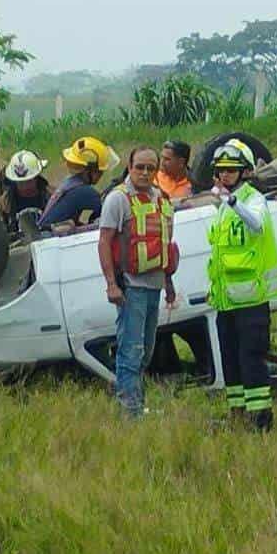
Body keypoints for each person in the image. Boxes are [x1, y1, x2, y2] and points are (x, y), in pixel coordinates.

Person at [207, 138, 277, 431]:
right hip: (226, 300)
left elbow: (256, 224)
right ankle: (236, 412)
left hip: (251, 300)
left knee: (251, 358)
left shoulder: (252, 199)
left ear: (245, 171)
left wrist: (231, 201)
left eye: (232, 169)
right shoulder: (224, 207)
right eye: (221, 170)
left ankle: (261, 418)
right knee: (229, 360)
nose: (225, 175)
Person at [98, 146, 177, 417]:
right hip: (131, 287)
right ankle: (129, 411)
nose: (145, 173)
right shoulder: (117, 200)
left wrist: (169, 285)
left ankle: (135, 403)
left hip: (154, 286)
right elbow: (104, 242)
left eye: (150, 168)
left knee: (146, 352)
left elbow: (166, 245)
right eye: (139, 167)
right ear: (130, 168)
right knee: (131, 351)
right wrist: (111, 284)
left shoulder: (161, 199)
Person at [37, 136, 119, 230]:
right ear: (88, 170)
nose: (101, 175)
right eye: (99, 171)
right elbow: (108, 215)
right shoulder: (86, 192)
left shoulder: (70, 183)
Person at [3, 149, 52, 238]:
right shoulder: (4, 203)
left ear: (36, 177)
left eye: (29, 181)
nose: (25, 186)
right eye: (20, 183)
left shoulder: (52, 197)